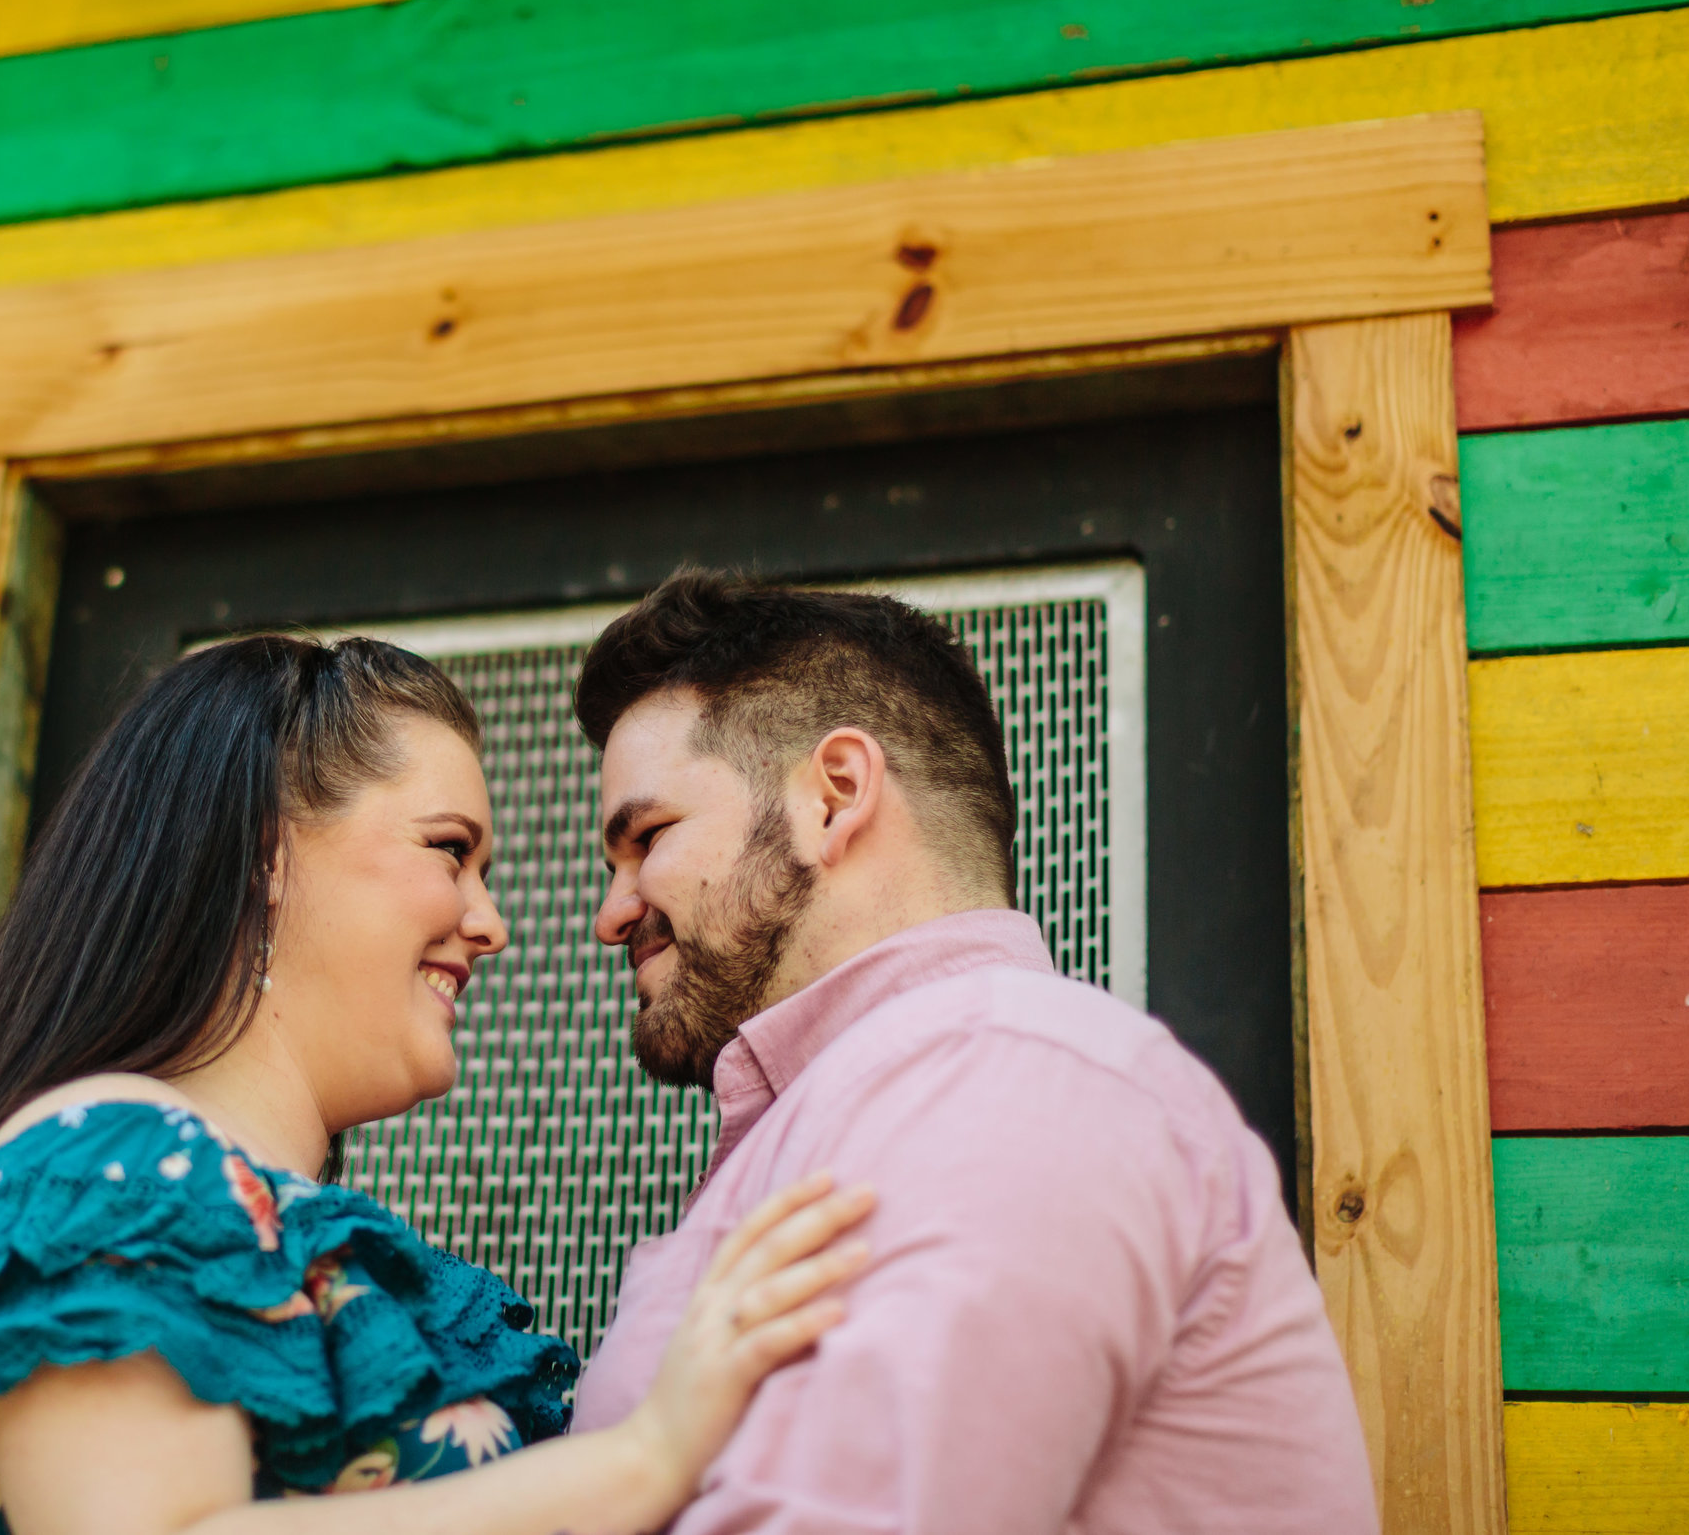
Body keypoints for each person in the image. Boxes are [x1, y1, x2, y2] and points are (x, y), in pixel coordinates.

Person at [0, 634, 877, 1535]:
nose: (491, 921)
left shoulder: (263, 1226)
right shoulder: (108, 1162)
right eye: (447, 850)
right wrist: (643, 1457)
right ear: (265, 856)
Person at [568, 571, 1379, 1533]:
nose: (612, 913)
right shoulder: (903, 1096)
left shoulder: (1006, 1083)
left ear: (833, 795)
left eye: (649, 836)